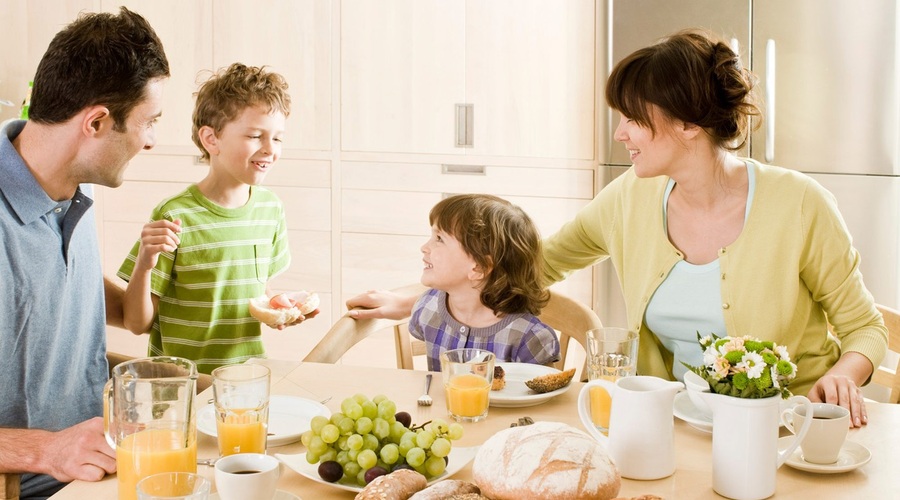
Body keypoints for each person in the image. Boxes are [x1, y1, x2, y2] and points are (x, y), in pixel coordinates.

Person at [347, 30, 887, 428]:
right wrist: (412, 296)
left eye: (632, 116)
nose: (619, 132)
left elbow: (866, 329)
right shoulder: (632, 195)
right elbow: (524, 263)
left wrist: (845, 372)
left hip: (784, 426)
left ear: (687, 124)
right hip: (668, 421)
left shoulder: (799, 204)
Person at [0, 8, 169, 498]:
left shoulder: (72, 189)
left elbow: (49, 289)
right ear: (96, 121)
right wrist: (43, 451)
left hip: (101, 471)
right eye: (150, 122)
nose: (153, 140)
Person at [117, 63, 308, 375]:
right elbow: (137, 323)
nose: (269, 150)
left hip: (246, 379)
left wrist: (280, 307)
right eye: (256, 135)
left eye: (278, 138)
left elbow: (255, 293)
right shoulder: (176, 215)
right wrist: (144, 263)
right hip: (182, 386)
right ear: (211, 139)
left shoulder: (270, 210)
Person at [408, 194, 559, 371]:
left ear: (479, 267)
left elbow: (549, 396)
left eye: (440, 239)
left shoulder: (529, 338)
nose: (424, 247)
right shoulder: (427, 307)